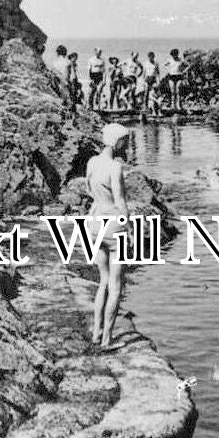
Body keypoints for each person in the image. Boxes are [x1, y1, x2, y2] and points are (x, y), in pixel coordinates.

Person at [86, 123, 133, 350]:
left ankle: (96, 332)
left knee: (102, 281)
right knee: (115, 285)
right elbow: (120, 201)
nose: (127, 145)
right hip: (114, 226)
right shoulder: (115, 167)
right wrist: (130, 229)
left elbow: (89, 190)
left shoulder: (92, 162)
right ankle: (107, 340)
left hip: (95, 223)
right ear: (118, 142)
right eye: (125, 141)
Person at [143, 52, 161, 116]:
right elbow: (144, 72)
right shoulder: (145, 63)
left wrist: (158, 81)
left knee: (154, 92)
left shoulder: (156, 63)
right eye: (150, 57)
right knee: (146, 93)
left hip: (153, 78)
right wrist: (143, 81)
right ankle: (145, 106)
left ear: (153, 57)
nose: (151, 58)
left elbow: (157, 72)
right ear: (148, 57)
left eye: (152, 57)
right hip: (147, 78)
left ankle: (156, 108)